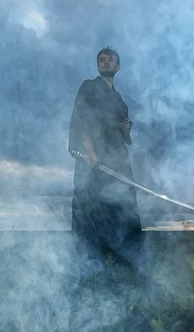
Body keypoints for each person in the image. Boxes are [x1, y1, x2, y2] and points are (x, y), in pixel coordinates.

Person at [68, 46, 142, 269]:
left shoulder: (120, 101)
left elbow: (125, 139)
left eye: (110, 60)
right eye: (101, 59)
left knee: (121, 205)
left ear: (118, 67)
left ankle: (123, 260)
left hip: (117, 161)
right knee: (91, 207)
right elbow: (81, 118)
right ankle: (89, 263)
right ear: (97, 65)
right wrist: (89, 150)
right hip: (93, 161)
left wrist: (126, 128)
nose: (105, 62)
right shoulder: (89, 87)